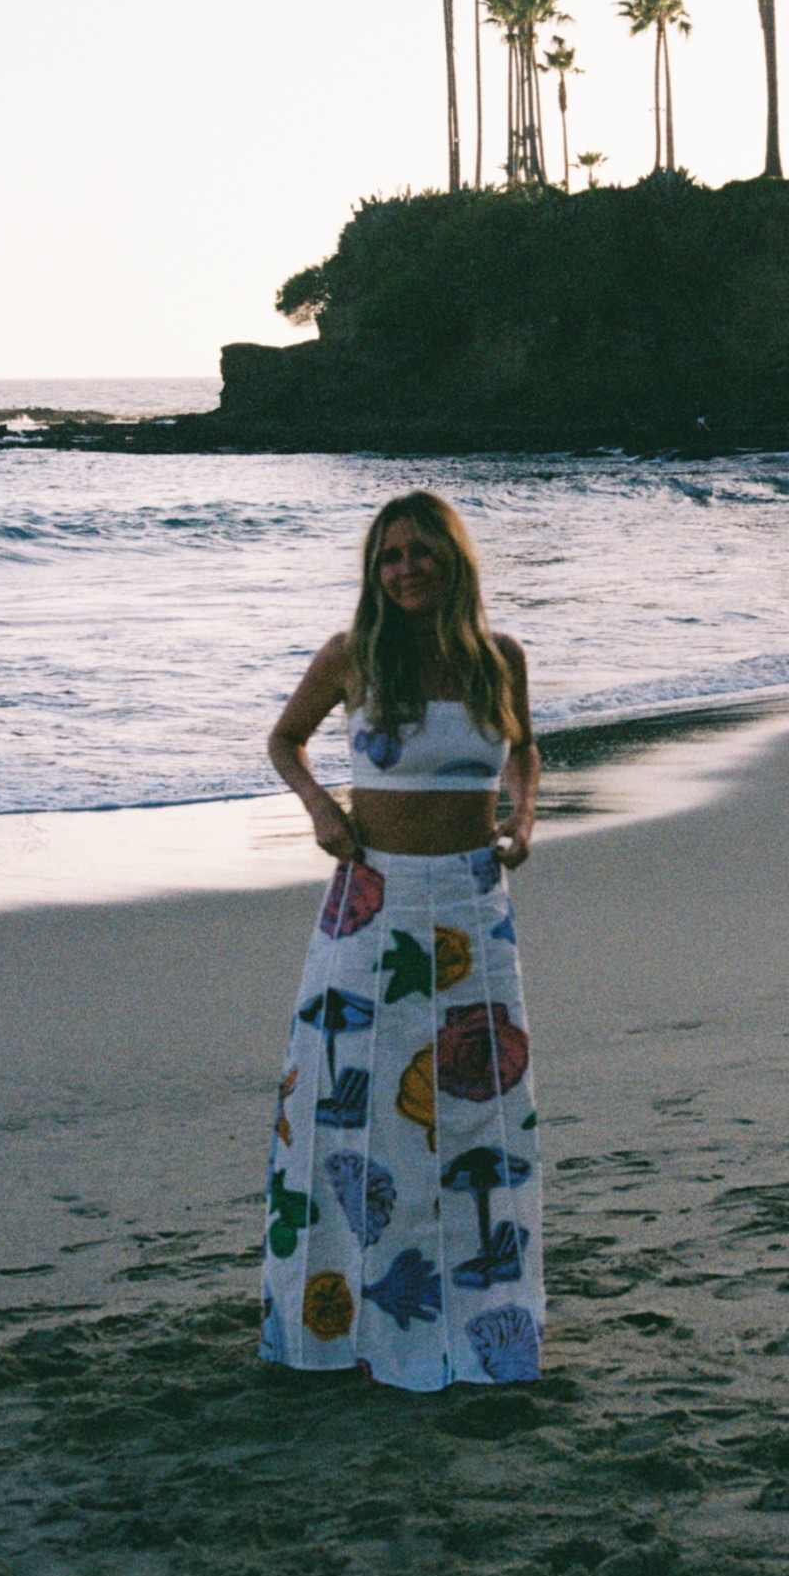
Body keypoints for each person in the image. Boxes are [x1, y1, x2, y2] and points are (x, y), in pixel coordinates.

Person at [258, 490, 544, 1389]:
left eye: (422, 552)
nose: (406, 568)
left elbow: (527, 750)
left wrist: (525, 820)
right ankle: (334, 1329)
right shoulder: (353, 656)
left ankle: (479, 1320)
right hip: (371, 903)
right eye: (390, 556)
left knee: (476, 1113)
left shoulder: (499, 658)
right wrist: (319, 811)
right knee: (351, 1110)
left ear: (454, 560)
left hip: (471, 901)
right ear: (373, 572)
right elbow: (285, 741)